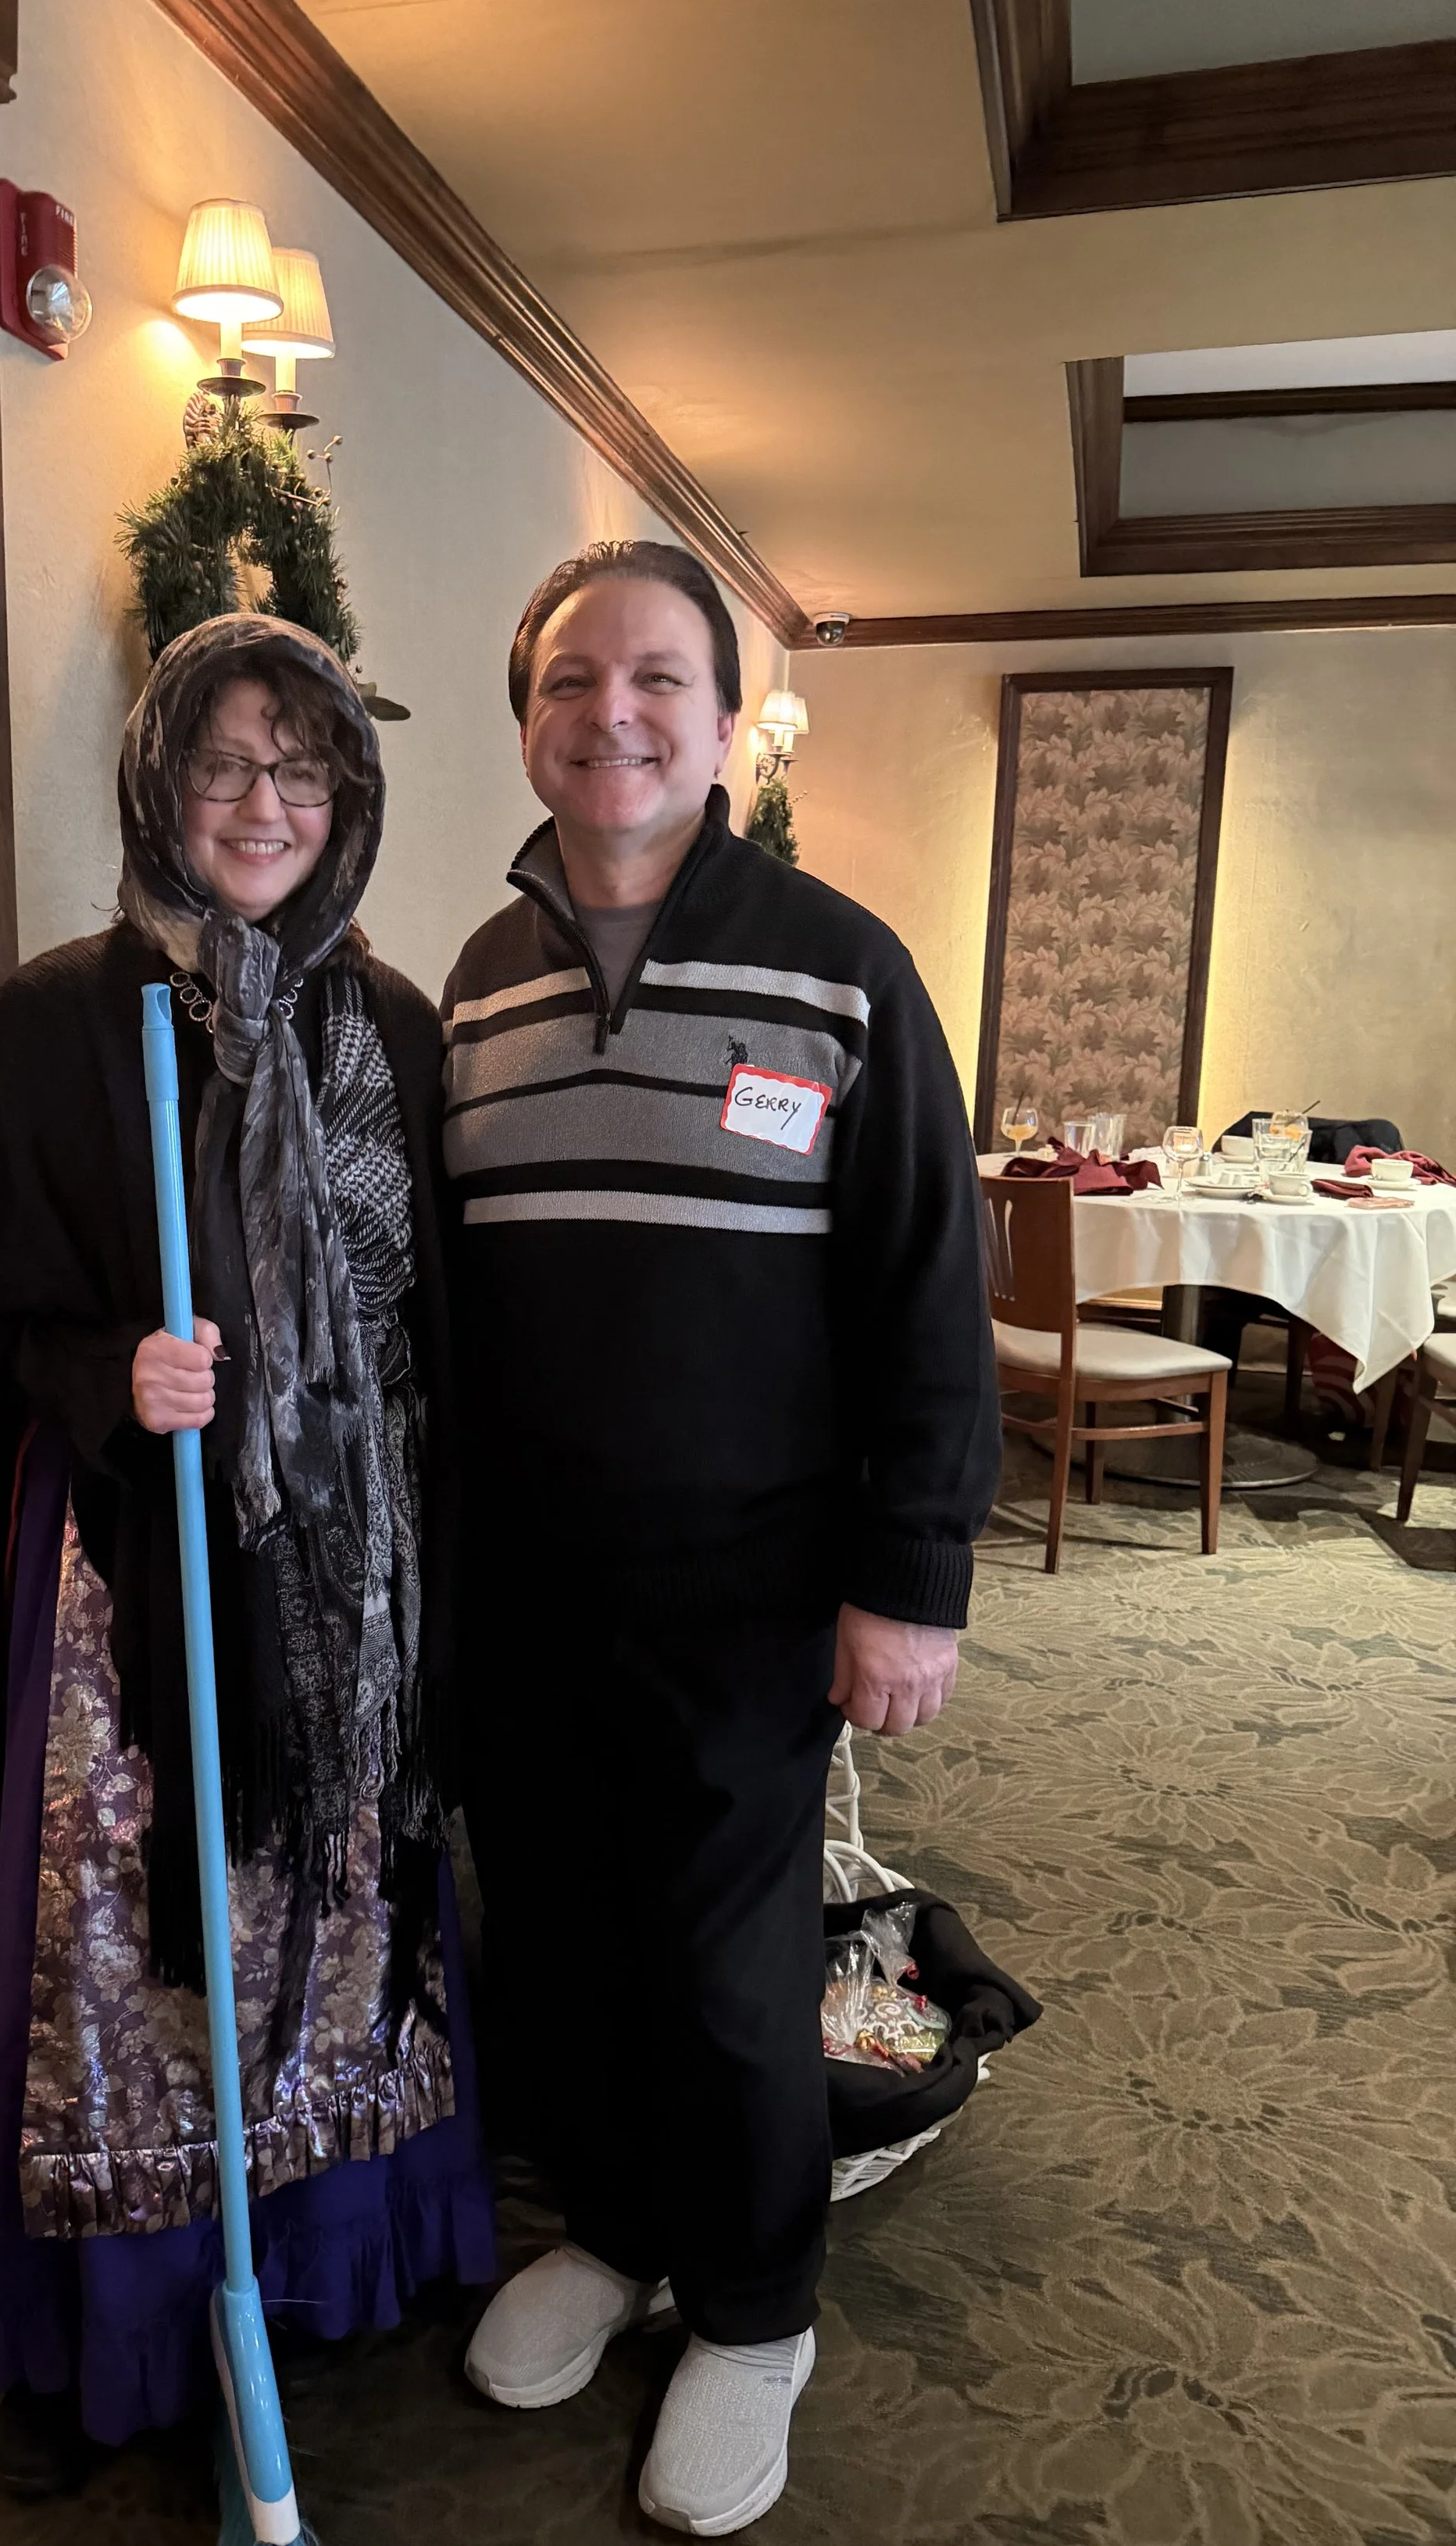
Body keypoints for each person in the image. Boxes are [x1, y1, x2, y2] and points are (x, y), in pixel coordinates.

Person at [0, 616, 493, 2498]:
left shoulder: (386, 1027)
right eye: (224, 763)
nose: (264, 804)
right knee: (129, 1960)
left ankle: (318, 2275)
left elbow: (435, 1330)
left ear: (353, 799)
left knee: (332, 1932)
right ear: (158, 779)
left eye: (303, 770)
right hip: (138, 1587)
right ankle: (103, 2339)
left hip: (352, 1593)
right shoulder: (66, 1019)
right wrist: (101, 1368)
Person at [444, 542, 1000, 2536]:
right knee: (567, 1935)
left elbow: (931, 1291)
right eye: (574, 678)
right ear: (528, 715)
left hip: (755, 1590)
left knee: (727, 1962)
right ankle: (614, 2235)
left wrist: (907, 1577)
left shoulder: (840, 965)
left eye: (660, 677)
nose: (616, 711)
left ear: (721, 717)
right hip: (524, 1588)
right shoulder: (476, 984)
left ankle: (756, 2308)